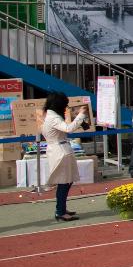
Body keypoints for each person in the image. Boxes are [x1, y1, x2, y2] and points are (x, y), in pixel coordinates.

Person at [42, 92, 88, 222]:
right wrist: (81, 115)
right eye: (65, 106)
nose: (66, 108)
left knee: (67, 181)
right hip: (60, 151)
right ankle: (60, 211)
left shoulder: (51, 116)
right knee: (64, 182)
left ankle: (61, 208)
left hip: (60, 149)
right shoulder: (54, 118)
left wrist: (80, 119)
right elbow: (68, 129)